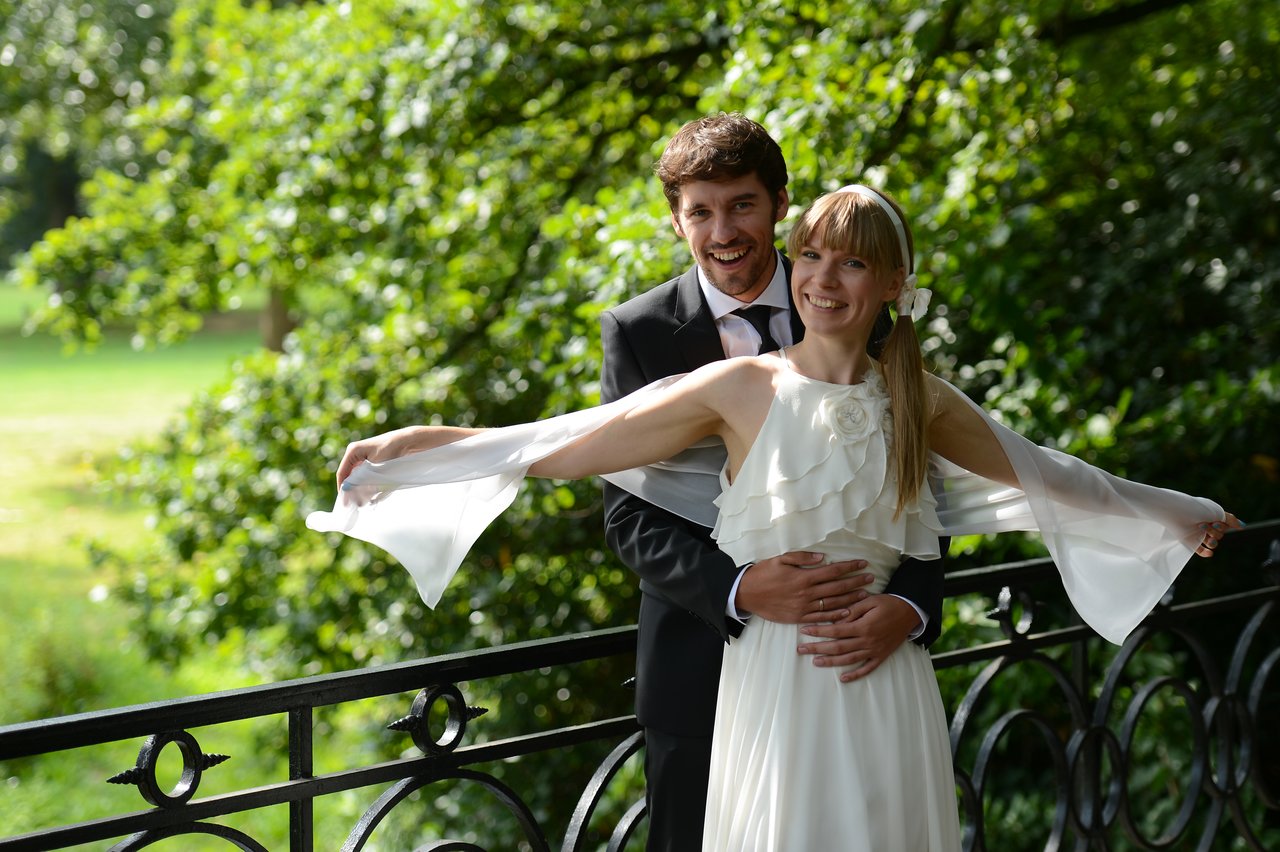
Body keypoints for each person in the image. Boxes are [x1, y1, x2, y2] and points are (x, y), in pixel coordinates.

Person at [307, 184, 1240, 849]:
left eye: (852, 264)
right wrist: (414, 447)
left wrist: (1181, 514)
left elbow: (1056, 481)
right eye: (810, 256)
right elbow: (567, 442)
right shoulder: (741, 387)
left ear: (893, 287)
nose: (822, 279)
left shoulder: (920, 396)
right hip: (771, 680)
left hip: (882, 677)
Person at [597, 112, 944, 848]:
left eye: (742, 205)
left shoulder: (850, 296)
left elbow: (921, 482)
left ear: (779, 203)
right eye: (701, 212)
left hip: (852, 665)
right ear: (675, 221)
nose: (722, 230)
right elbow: (629, 514)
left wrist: (910, 607)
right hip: (700, 666)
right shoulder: (640, 332)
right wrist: (739, 587)